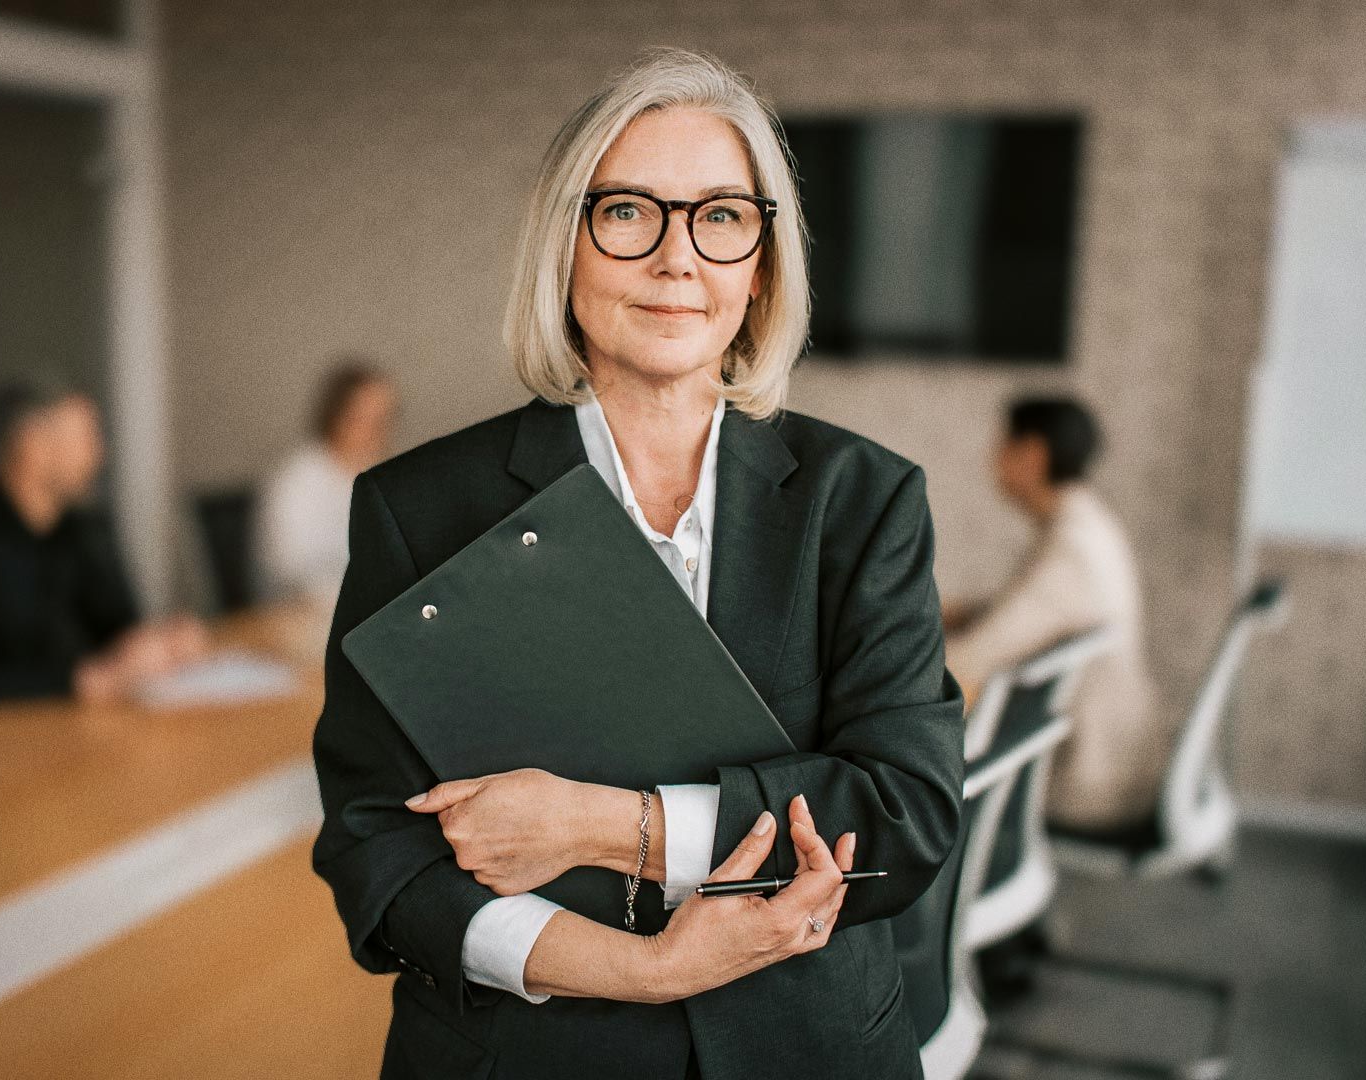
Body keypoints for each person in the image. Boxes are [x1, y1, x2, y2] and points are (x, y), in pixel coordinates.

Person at [311, 50, 963, 1080]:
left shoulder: (863, 501)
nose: (676, 259)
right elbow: (373, 847)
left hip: (807, 1045)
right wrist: (644, 969)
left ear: (760, 266)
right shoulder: (417, 509)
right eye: (626, 212)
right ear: (562, 246)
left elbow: (903, 818)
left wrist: (600, 824)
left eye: (720, 217)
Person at [0, 381, 206, 710]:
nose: (100, 455)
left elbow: (115, 628)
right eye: (86, 439)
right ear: (33, 446)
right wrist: (77, 682)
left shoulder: (76, 531)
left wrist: (161, 642)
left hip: (73, 725)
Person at [944, 396, 1164, 834]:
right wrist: (950, 612)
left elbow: (969, 660)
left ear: (1032, 455)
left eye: (1003, 447)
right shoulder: (1087, 525)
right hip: (1110, 762)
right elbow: (1022, 614)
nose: (993, 461)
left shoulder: (1070, 550)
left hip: (1091, 782)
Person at [256, 362, 395, 608]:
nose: (375, 432)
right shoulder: (297, 482)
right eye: (363, 419)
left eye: (383, 420)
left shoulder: (384, 477)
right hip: (302, 613)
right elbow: (288, 573)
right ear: (337, 416)